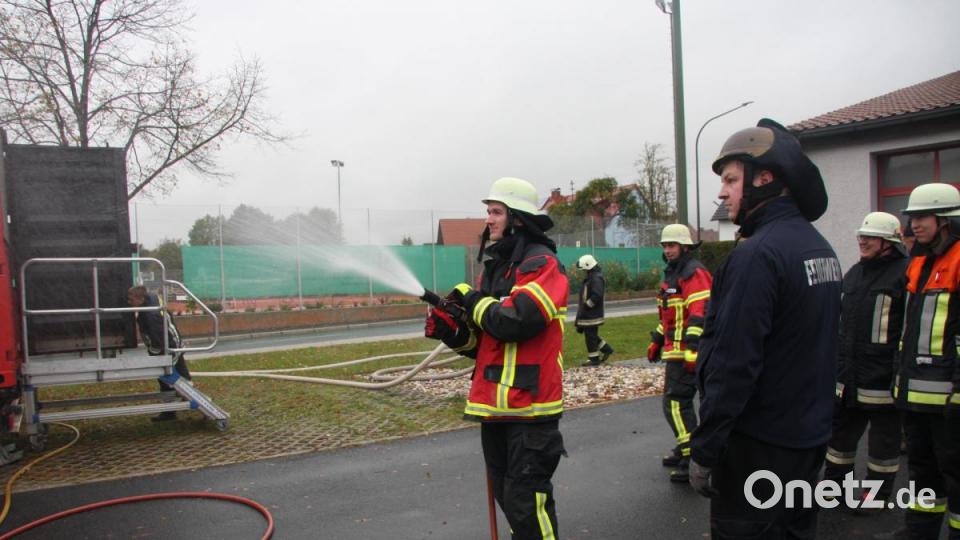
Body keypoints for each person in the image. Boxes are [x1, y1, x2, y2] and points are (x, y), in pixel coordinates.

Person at [688, 118, 842, 538]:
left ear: (766, 178)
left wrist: (704, 448)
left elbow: (733, 364)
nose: (722, 191)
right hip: (806, 441)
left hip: (759, 449)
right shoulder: (818, 248)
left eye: (732, 179)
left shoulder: (757, 256)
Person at [424, 177, 568, 540]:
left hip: (531, 411)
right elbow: (484, 343)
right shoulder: (495, 269)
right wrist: (452, 331)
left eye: (496, 212)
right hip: (496, 409)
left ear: (518, 217)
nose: (488, 219)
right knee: (509, 498)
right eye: (488, 211)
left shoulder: (542, 264)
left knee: (526, 503)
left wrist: (472, 300)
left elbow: (516, 320)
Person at [879, 182, 960, 540]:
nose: (914, 225)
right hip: (916, 392)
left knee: (956, 471)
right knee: (922, 469)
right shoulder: (919, 262)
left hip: (949, 397)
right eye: (911, 218)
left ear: (944, 219)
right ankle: (920, 531)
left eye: (922, 217)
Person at [823, 212, 907, 508]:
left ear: (888, 242)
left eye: (869, 237)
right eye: (861, 236)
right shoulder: (854, 273)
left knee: (882, 445)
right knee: (839, 437)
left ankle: (877, 496)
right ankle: (834, 489)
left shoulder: (904, 274)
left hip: (882, 376)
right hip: (848, 376)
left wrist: (898, 374)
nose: (862, 240)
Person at [647, 223, 712, 483]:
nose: (668, 250)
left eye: (672, 245)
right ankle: (685, 446)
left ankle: (692, 455)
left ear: (684, 246)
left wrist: (694, 350)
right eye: (665, 245)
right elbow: (670, 314)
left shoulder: (692, 272)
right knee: (675, 403)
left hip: (688, 351)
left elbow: (701, 311)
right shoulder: (672, 275)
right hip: (675, 351)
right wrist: (657, 340)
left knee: (675, 404)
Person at [127, 285, 192, 422]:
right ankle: (182, 403)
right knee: (178, 376)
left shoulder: (151, 316)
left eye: (131, 299)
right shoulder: (152, 299)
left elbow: (159, 341)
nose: (129, 302)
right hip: (174, 343)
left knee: (169, 379)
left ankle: (178, 408)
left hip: (169, 347)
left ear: (141, 299)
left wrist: (156, 357)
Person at [574, 254, 614, 367]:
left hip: (591, 314)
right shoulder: (592, 277)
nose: (583, 272)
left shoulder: (596, 278)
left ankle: (594, 359)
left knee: (590, 336)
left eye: (584, 269)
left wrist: (587, 305)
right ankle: (606, 349)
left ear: (588, 266)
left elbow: (597, 295)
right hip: (588, 314)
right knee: (590, 335)